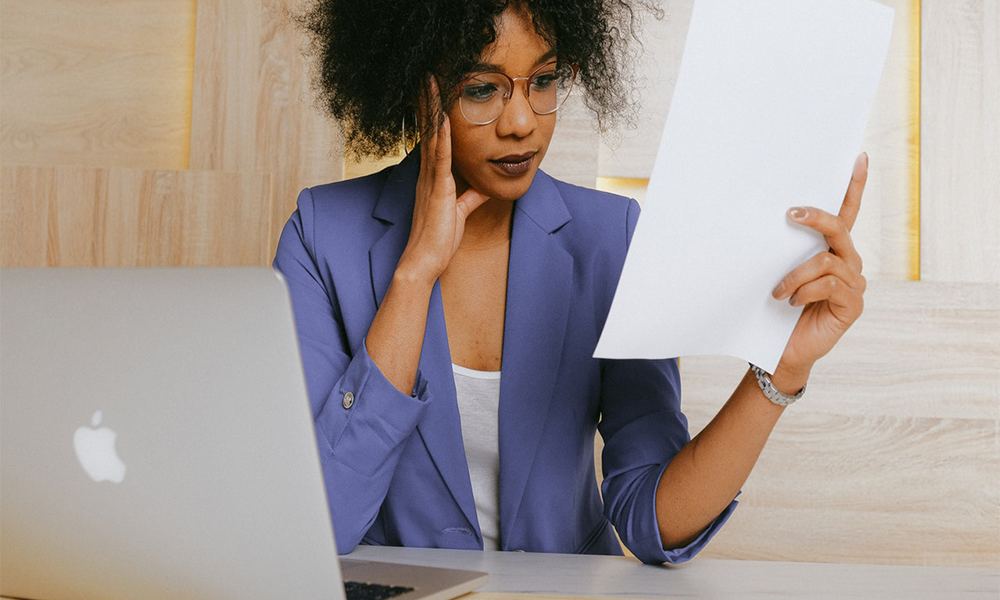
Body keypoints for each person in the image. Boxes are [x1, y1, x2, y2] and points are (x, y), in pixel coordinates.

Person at [273, 0, 867, 566]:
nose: (522, 122)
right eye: (482, 89)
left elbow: (652, 523)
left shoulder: (610, 240)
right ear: (414, 84)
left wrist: (780, 371)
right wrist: (415, 272)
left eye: (545, 79)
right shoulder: (322, 237)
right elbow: (324, 519)